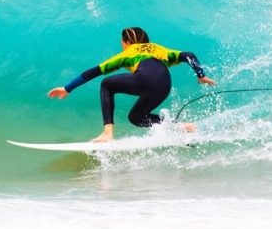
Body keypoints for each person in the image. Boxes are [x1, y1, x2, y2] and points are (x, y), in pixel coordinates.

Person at [47, 27, 215, 142]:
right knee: (136, 117)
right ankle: (183, 127)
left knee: (107, 84)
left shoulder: (128, 53)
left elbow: (93, 72)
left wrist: (67, 88)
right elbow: (188, 55)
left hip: (145, 80)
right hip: (164, 85)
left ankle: (108, 133)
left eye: (122, 41)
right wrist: (201, 75)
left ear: (127, 42)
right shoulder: (158, 49)